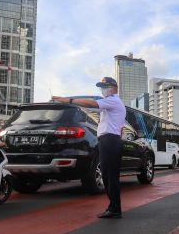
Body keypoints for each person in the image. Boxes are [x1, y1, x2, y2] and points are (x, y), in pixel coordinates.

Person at [52, 76, 126, 219]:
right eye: (102, 87)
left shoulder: (113, 101)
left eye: (106, 87)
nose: (103, 90)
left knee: (109, 175)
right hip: (110, 140)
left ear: (114, 88)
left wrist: (69, 100)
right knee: (108, 175)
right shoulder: (110, 104)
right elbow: (90, 107)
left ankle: (115, 209)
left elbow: (92, 103)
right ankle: (114, 207)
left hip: (110, 140)